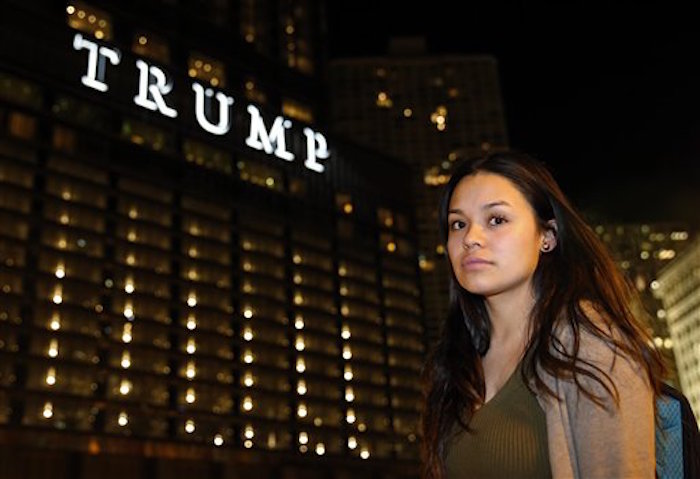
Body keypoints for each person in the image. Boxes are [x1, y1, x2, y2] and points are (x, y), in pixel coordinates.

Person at [420, 151, 667, 479]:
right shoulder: (456, 363)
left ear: (547, 237)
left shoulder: (586, 340)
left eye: (496, 220)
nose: (470, 239)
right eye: (458, 224)